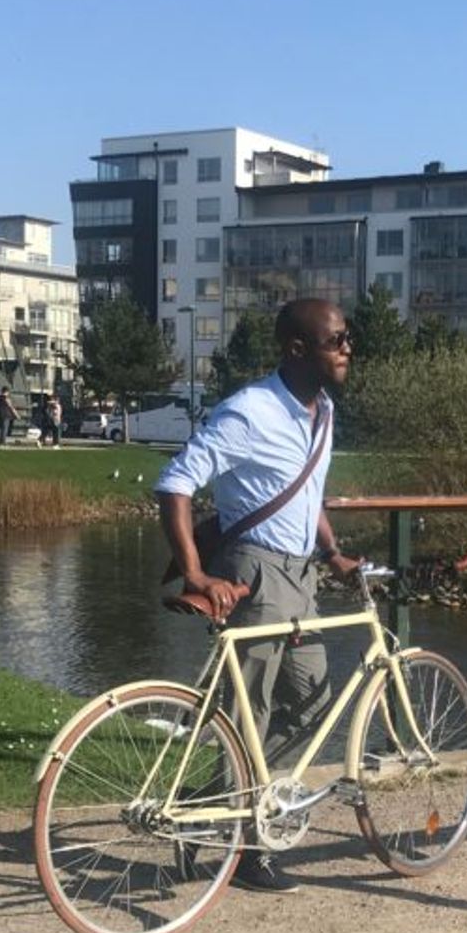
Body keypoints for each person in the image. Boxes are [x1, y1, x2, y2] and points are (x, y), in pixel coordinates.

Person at [154, 298, 359, 894]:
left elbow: (308, 494)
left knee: (314, 700)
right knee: (252, 709)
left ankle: (212, 803)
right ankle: (245, 848)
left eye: (350, 338)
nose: (348, 349)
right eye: (337, 340)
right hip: (254, 573)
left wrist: (332, 552)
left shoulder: (323, 412)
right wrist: (195, 573)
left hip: (302, 576)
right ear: (298, 349)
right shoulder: (249, 411)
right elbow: (175, 484)